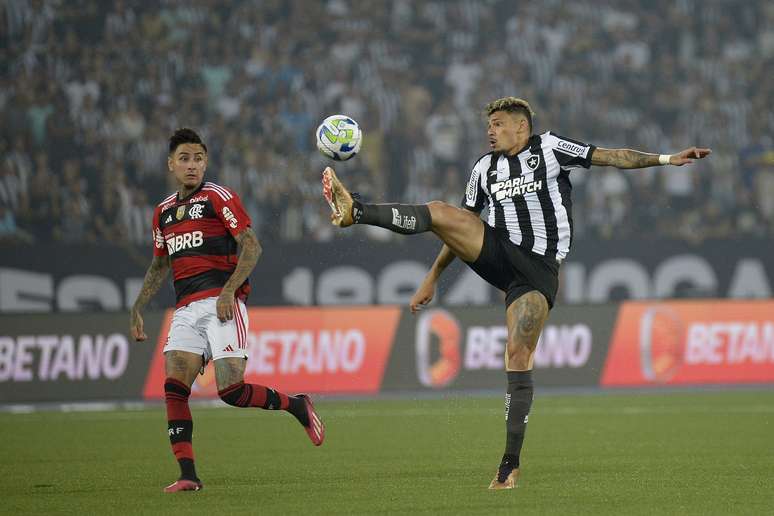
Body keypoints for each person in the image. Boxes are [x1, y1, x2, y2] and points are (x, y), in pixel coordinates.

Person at [322, 97, 710, 490]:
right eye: (489, 124)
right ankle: (357, 212)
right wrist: (432, 277)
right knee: (441, 211)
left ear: (521, 127)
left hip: (537, 270)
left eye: (499, 123)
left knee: (518, 353)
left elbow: (612, 156)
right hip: (497, 250)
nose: (490, 131)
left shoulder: (551, 148)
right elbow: (459, 226)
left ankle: (509, 465)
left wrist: (665, 159)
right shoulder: (483, 169)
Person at [131, 128, 324, 493]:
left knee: (230, 391)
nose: (192, 165)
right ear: (171, 164)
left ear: (206, 162)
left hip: (222, 302)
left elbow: (252, 247)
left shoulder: (218, 197)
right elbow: (159, 264)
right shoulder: (163, 213)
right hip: (185, 310)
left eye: (198, 158)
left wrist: (229, 291)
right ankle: (188, 474)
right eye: (185, 159)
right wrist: (138, 306)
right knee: (173, 389)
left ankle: (297, 405)